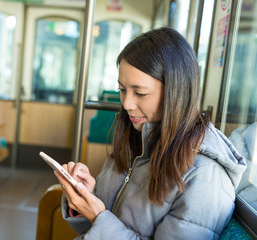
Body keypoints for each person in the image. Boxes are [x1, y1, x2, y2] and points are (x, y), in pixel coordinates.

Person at [54, 27, 247, 239]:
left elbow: (102, 223)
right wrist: (86, 198)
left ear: (176, 92)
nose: (127, 104)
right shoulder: (135, 139)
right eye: (122, 90)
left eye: (140, 93)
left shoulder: (206, 178)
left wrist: (97, 216)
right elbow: (98, 228)